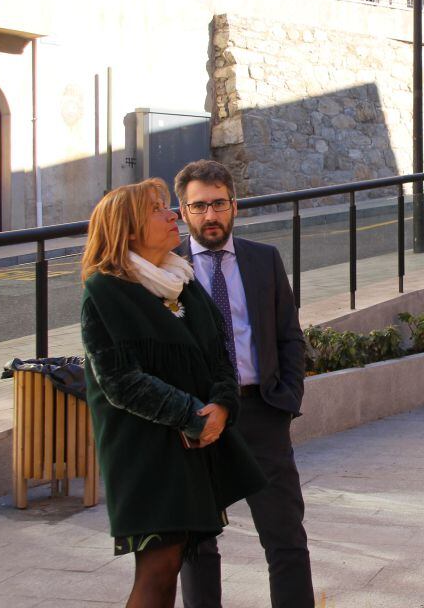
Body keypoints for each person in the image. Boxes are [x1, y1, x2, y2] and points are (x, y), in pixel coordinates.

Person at [80, 178, 266, 608]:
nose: (172, 215)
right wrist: (193, 416)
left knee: (174, 559)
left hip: (193, 445)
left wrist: (222, 405)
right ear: (128, 229)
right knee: (158, 571)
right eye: (157, 209)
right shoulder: (105, 292)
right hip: (144, 452)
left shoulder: (182, 282)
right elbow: (120, 381)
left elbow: (219, 355)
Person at [174, 160, 314, 608]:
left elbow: (289, 335)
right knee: (198, 541)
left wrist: (286, 399)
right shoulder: (166, 267)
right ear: (183, 211)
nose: (210, 215)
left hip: (260, 412)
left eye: (219, 204)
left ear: (235, 206)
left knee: (285, 536)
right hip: (198, 418)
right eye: (199, 206)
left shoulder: (263, 259)